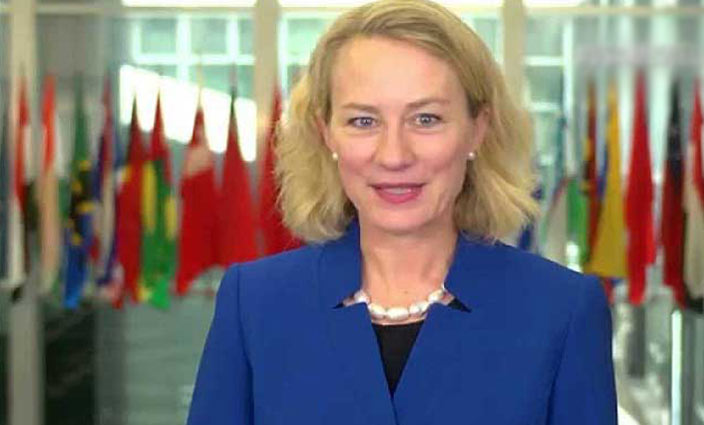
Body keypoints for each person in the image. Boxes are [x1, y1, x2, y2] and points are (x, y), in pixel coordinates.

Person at [186, 0, 617, 423]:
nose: (393, 156)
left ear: (478, 129)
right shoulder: (255, 303)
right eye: (363, 121)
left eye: (426, 119)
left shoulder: (562, 311)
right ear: (326, 133)